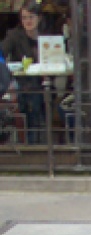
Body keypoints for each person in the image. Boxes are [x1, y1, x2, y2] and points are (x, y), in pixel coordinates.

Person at [1, 1, 44, 145]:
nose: (27, 21)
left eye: (31, 17)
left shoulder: (46, 36)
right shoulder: (14, 35)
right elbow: (1, 53)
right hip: (22, 83)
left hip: (43, 81)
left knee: (37, 97)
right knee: (32, 98)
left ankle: (35, 141)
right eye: (24, 17)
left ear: (39, 18)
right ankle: (32, 144)